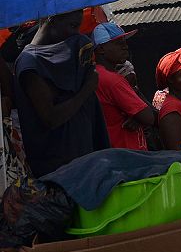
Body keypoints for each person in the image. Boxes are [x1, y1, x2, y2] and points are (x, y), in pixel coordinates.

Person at [14, 10, 110, 177]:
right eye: (72, 26)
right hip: (58, 171)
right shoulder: (30, 63)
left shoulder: (71, 52)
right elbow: (51, 118)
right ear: (52, 18)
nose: (76, 33)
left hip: (87, 161)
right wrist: (87, 88)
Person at [92, 23, 155, 151]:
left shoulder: (95, 75)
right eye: (118, 43)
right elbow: (149, 117)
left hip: (110, 149)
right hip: (127, 152)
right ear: (101, 49)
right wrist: (139, 115)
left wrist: (137, 117)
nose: (125, 47)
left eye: (124, 42)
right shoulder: (113, 80)